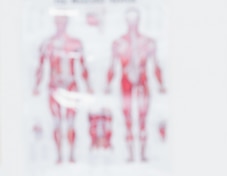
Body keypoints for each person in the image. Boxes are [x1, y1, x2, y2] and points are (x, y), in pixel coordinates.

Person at [105, 7, 167, 162]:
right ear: (126, 21)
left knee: (142, 118)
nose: (132, 23)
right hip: (125, 82)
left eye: (135, 20)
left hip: (142, 81)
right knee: (127, 118)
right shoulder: (118, 43)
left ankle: (143, 154)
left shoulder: (148, 42)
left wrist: (161, 83)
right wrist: (107, 84)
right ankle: (131, 154)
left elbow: (156, 65)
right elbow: (112, 66)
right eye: (129, 20)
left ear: (139, 21)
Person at [33, 14, 94, 164]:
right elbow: (41, 67)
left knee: (71, 122)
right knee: (56, 122)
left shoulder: (75, 43)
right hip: (54, 87)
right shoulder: (48, 44)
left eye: (63, 22)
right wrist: (36, 86)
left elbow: (83, 66)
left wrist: (88, 86)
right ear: (55, 23)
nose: (61, 25)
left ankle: (72, 155)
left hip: (72, 86)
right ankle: (59, 155)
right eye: (58, 22)